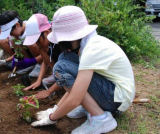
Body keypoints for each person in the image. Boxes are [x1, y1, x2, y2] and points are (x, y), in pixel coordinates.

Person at [31, 6, 135, 134]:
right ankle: (90, 107)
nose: (63, 45)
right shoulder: (89, 43)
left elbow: (75, 97)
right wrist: (55, 109)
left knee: (61, 67)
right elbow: (76, 83)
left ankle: (100, 118)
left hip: (117, 101)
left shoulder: (91, 49)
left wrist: (52, 118)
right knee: (65, 59)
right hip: (112, 92)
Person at [22, 14, 62, 99]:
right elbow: (45, 60)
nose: (36, 44)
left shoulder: (61, 44)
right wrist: (39, 80)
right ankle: (58, 79)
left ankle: (60, 84)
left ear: (47, 33)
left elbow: (69, 73)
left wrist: (49, 91)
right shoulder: (47, 44)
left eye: (37, 41)